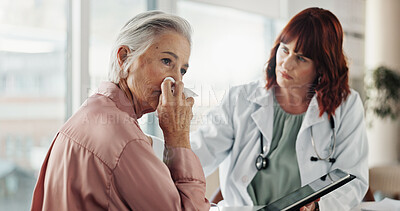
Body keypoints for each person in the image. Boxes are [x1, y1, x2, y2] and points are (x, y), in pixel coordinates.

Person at [190, 7, 368, 211]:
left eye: (301, 58)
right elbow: (199, 153)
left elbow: (353, 178)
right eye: (285, 50)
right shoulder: (240, 99)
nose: (286, 64)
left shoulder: (346, 105)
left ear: (322, 67)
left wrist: (318, 208)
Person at [31, 11, 210, 211]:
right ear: (124, 58)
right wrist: (178, 137)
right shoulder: (126, 141)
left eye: (182, 70)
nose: (177, 81)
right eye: (167, 61)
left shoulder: (87, 115)